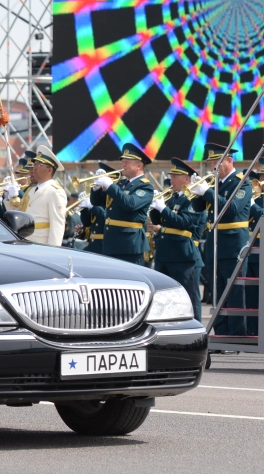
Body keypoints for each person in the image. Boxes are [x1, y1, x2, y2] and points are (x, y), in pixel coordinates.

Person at [191, 142, 253, 335]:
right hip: (215, 244)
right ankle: (221, 333)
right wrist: (198, 191)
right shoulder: (215, 183)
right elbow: (198, 208)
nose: (212, 167)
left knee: (234, 291)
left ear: (229, 160)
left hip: (234, 244)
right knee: (217, 292)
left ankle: (236, 334)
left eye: (216, 162)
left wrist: (207, 192)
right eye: (210, 163)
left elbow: (232, 210)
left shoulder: (241, 182)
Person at [149, 158, 206, 318]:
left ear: (187, 179)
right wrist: (155, 208)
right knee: (166, 300)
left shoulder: (193, 198)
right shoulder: (173, 198)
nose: (171, 179)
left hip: (183, 257)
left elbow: (184, 222)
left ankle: (195, 333)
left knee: (189, 299)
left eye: (175, 176)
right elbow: (159, 221)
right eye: (171, 176)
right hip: (165, 255)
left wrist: (163, 209)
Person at [93, 143, 154, 265]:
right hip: (111, 243)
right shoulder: (120, 184)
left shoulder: (145, 186)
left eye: (127, 161)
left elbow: (130, 203)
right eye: (123, 161)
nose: (123, 164)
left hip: (129, 245)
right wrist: (96, 188)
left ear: (139, 165)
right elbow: (97, 202)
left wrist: (110, 185)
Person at [19, 147, 66, 246]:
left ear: (49, 169)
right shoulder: (31, 190)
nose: (34, 168)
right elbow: (19, 212)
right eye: (34, 164)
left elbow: (57, 226)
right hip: (25, 242)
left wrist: (52, 251)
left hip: (41, 246)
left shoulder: (55, 191)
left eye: (38, 164)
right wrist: (10, 197)